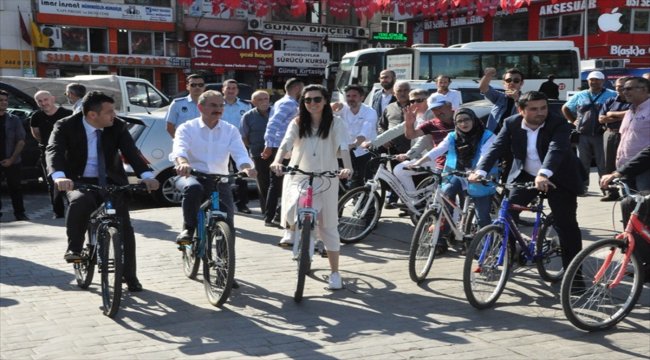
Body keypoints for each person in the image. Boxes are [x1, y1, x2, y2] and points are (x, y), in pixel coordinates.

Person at [46, 91, 159, 292]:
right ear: (92, 115)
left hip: (111, 181)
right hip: (78, 181)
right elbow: (53, 150)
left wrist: (147, 176)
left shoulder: (117, 126)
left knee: (124, 227)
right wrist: (60, 176)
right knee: (80, 202)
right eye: (109, 112)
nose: (114, 115)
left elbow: (132, 152)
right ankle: (75, 249)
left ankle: (130, 275)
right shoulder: (65, 125)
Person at [469, 91, 584, 269]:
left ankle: (574, 276)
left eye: (543, 108)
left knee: (566, 225)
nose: (540, 112)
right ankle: (512, 252)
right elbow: (496, 148)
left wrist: (544, 173)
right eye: (534, 109)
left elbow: (556, 149)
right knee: (507, 213)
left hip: (559, 178)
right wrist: (481, 171)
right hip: (526, 176)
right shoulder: (511, 123)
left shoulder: (558, 122)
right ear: (520, 110)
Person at [269, 84, 353, 290]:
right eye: (307, 100)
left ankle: (335, 273)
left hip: (327, 177)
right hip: (300, 175)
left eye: (317, 99)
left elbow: (343, 146)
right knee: (294, 205)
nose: (312, 103)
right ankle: (295, 231)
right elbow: (286, 144)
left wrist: (347, 168)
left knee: (328, 227)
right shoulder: (297, 122)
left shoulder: (336, 123)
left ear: (325, 101)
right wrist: (277, 161)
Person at [170, 90, 256, 246]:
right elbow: (179, 149)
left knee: (228, 222)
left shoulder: (230, 130)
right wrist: (183, 163)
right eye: (213, 105)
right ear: (200, 107)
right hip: (191, 175)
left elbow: (240, 154)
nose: (218, 109)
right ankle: (189, 229)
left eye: (221, 105)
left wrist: (246, 168)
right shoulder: (187, 128)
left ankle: (224, 260)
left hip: (219, 179)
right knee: (193, 189)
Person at [408, 108, 497, 254]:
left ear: (474, 120)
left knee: (482, 215)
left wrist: (477, 173)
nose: (463, 124)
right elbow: (438, 150)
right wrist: (419, 162)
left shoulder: (487, 136)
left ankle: (487, 247)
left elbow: (486, 156)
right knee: (446, 195)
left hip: (479, 177)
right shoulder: (453, 136)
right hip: (457, 173)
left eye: (467, 120)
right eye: (459, 121)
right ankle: (444, 234)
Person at [562, 71, 617, 195]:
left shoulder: (612, 94)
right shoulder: (580, 95)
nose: (594, 82)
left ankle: (606, 188)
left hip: (602, 134)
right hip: (583, 134)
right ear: (588, 81)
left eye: (597, 80)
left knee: (603, 164)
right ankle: (582, 187)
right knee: (582, 163)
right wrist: (574, 121)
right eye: (591, 79)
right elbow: (565, 108)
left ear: (603, 81)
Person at [262, 78, 304, 227]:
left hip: (282, 146)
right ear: (297, 88)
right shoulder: (289, 103)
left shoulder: (283, 102)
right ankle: (273, 216)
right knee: (281, 183)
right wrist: (268, 144)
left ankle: (274, 216)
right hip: (282, 148)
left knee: (280, 183)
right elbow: (273, 124)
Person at [393, 97, 455, 195]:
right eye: (434, 109)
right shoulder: (432, 123)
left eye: (440, 107)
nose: (438, 112)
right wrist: (409, 124)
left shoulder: (462, 118)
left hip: (460, 164)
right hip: (438, 161)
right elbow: (411, 135)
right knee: (400, 170)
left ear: (449, 106)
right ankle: (415, 200)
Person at [30, 90, 72, 218]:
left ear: (53, 99)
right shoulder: (36, 116)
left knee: (71, 181)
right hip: (47, 153)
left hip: (68, 153)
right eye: (40, 101)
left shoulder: (68, 114)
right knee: (52, 183)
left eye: (45, 99)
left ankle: (74, 209)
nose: (43, 103)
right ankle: (58, 212)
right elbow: (36, 134)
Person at [332, 84, 377, 189]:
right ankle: (341, 203)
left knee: (363, 179)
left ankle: (366, 204)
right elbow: (325, 112)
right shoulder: (342, 108)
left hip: (363, 149)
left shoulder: (370, 112)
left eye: (354, 96)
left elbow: (365, 132)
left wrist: (354, 144)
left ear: (361, 97)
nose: (350, 99)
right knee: (341, 179)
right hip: (344, 150)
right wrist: (333, 105)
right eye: (348, 96)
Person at [221, 79, 253, 214]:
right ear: (223, 90)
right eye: (228, 88)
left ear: (237, 91)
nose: (231, 90)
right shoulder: (217, 104)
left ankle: (242, 204)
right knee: (220, 174)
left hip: (238, 145)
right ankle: (221, 204)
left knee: (242, 174)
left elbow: (249, 126)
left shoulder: (245, 106)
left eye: (234, 88)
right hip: (219, 144)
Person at [614, 77, 650, 192]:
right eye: (623, 89)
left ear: (644, 89)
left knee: (644, 206)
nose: (625, 92)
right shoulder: (629, 111)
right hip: (625, 168)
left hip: (644, 169)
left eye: (629, 89)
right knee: (628, 205)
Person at [598, 76, 631, 201]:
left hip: (626, 134)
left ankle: (627, 192)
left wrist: (612, 114)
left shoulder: (633, 102)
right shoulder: (610, 101)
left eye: (622, 87)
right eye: (617, 87)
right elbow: (601, 119)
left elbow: (631, 113)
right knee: (608, 164)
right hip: (610, 134)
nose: (620, 89)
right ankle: (611, 192)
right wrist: (620, 116)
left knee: (625, 163)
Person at [241, 90, 271, 214]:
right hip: (258, 154)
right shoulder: (248, 116)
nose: (264, 102)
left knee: (279, 184)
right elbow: (244, 137)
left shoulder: (276, 112)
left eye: (266, 99)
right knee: (263, 183)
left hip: (278, 153)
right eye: (260, 99)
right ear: (253, 102)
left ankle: (279, 211)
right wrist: (253, 147)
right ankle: (267, 212)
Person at [0, 90, 29, 221]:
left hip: (12, 160)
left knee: (15, 188)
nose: (4, 103)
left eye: (6, 100)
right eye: (1, 100)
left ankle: (20, 213)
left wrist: (11, 159)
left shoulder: (14, 119)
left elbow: (21, 141)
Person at [479, 67, 525, 133]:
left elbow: (526, 117)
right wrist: (488, 75)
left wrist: (517, 99)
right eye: (508, 80)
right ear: (504, 83)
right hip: (493, 136)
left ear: (521, 83)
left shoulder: (526, 99)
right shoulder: (500, 96)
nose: (512, 83)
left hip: (513, 137)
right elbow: (483, 88)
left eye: (516, 81)